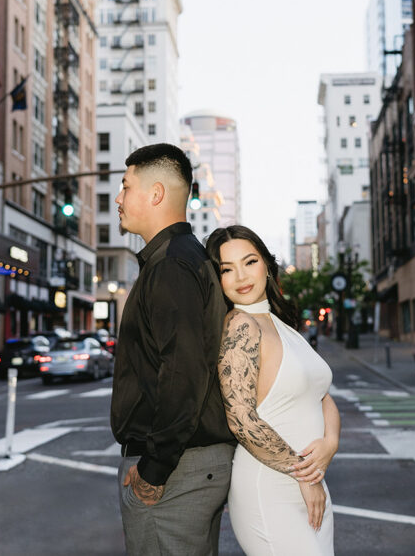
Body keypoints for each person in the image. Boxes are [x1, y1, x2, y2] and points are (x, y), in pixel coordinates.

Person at [110, 143, 236, 555]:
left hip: (177, 469)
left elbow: (183, 373)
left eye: (126, 187)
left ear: (156, 193)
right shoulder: (183, 259)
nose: (118, 198)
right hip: (190, 465)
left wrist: (154, 468)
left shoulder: (171, 266)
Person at [206, 225, 341, 556]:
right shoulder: (241, 326)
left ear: (266, 263)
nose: (241, 276)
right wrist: (305, 475)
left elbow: (323, 396)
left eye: (249, 261)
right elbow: (241, 418)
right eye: (226, 269)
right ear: (216, 278)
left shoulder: (280, 323)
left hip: (308, 478)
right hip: (271, 486)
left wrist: (330, 445)